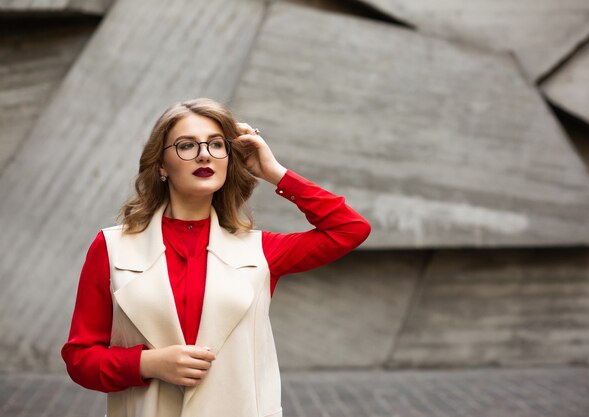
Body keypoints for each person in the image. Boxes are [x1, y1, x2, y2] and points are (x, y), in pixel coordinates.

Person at [61, 98, 371, 417]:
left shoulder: (261, 250)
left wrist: (274, 172)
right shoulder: (112, 247)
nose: (204, 154)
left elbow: (349, 229)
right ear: (161, 165)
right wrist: (147, 364)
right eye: (186, 145)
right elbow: (79, 358)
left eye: (216, 144)